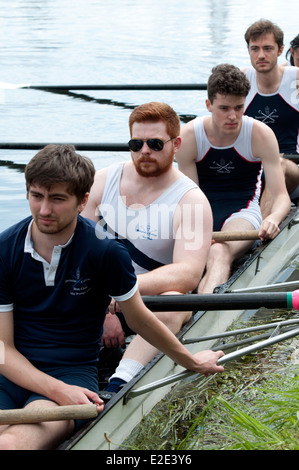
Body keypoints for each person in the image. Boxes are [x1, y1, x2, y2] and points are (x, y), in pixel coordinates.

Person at [0, 144, 224, 450]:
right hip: (11, 372)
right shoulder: (4, 249)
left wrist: (191, 362)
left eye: (57, 199)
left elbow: (140, 320)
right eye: (36, 196)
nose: (44, 210)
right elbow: (3, 349)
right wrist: (55, 389)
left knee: (10, 445)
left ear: (83, 201)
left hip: (70, 375)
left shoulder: (104, 251)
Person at [81, 101, 214, 395]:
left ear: (176, 144)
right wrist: (104, 309)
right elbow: (75, 250)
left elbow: (188, 273)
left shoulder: (191, 201)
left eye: (155, 143)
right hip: (98, 298)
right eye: (136, 143)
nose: (145, 151)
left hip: (149, 301)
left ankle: (119, 386)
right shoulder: (102, 181)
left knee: (175, 301)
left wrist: (124, 291)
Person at [175, 64, 291, 294]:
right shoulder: (189, 136)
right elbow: (189, 196)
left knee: (219, 252)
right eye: (224, 108)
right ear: (208, 105)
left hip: (242, 212)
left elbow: (281, 196)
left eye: (239, 107)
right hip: (201, 210)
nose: (233, 116)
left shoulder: (260, 134)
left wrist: (274, 219)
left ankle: (203, 317)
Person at [243, 19, 299, 214]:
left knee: (277, 165)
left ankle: (259, 231)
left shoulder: (296, 79)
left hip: (292, 167)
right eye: (255, 49)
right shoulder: (242, 81)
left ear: (280, 49)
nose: (261, 55)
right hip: (253, 168)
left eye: (268, 48)